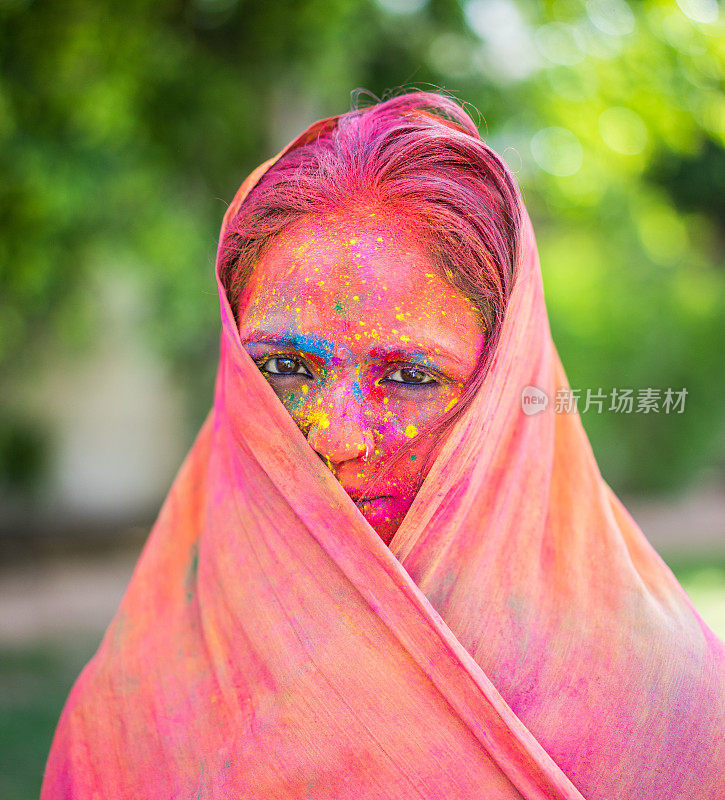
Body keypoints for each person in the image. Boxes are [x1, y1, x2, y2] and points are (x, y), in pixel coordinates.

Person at [41, 92, 725, 799]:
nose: (335, 438)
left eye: (408, 376)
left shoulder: (667, 711)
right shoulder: (132, 717)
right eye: (285, 367)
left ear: (498, 395)